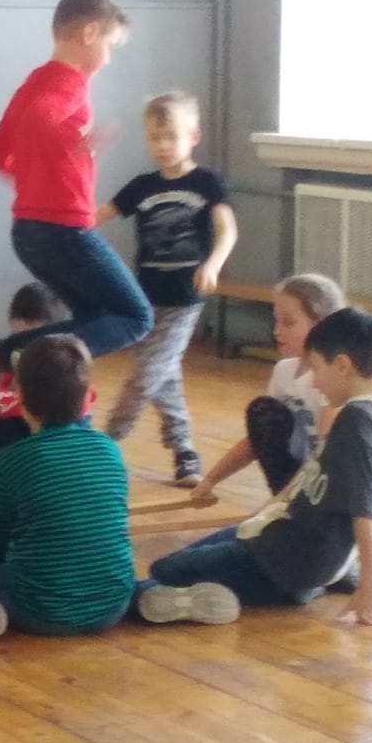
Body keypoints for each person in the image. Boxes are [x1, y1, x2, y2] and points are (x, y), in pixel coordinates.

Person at [0, 336, 215, 649]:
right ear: (87, 397)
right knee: (108, 576)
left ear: (19, 396)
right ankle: (149, 594)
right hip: (112, 607)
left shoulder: (11, 460)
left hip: (37, 611)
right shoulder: (110, 451)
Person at [139, 307, 372, 627]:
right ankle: (305, 587)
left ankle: (285, 591)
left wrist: (370, 587)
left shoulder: (356, 419)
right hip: (289, 544)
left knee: (164, 571)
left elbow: (365, 507)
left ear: (342, 365)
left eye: (316, 369)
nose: (315, 383)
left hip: (287, 560)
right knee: (225, 542)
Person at [0, 0, 152, 408]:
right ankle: (3, 358)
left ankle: (34, 384)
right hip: (62, 230)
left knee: (93, 320)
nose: (108, 58)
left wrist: (38, 177)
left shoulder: (33, 82)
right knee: (136, 316)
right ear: (89, 33)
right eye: (110, 45)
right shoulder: (70, 83)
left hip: (29, 230)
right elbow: (43, 119)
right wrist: (70, 142)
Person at [97, 91, 239, 487]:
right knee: (165, 373)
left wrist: (213, 264)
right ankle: (184, 451)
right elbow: (96, 216)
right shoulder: (142, 186)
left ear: (192, 136)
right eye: (154, 137)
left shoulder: (206, 183)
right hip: (144, 299)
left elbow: (227, 229)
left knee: (146, 375)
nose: (162, 145)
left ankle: (105, 443)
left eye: (171, 136)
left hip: (184, 299)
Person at [191, 273, 344, 500]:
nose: (277, 331)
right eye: (276, 321)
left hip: (323, 486)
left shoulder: (330, 379)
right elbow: (258, 440)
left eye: (288, 323)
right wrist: (211, 480)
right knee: (262, 410)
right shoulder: (283, 371)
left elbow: (329, 453)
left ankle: (294, 504)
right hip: (292, 484)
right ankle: (286, 500)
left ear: (321, 326)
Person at [0, 282, 69, 456]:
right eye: (18, 337)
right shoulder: (2, 356)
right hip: (7, 431)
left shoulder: (63, 366)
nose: (23, 344)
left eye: (32, 339)